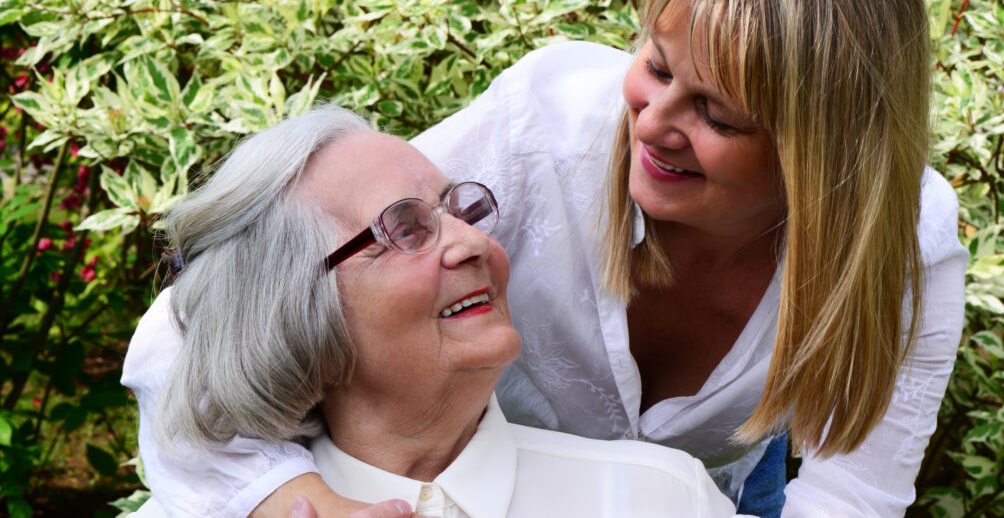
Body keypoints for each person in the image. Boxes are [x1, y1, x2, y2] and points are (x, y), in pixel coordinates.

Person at [122, 0, 968, 516]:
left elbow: (854, 493)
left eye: (715, 114)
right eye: (658, 67)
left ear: (816, 153)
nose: (654, 123)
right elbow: (216, 315)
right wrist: (279, 495)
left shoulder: (906, 242)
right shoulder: (548, 127)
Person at [124, 106, 741, 518]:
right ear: (293, 312)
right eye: (405, 229)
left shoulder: (664, 497)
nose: (473, 242)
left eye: (460, 210)